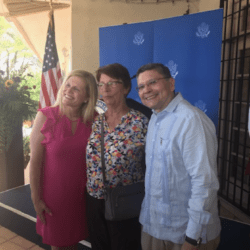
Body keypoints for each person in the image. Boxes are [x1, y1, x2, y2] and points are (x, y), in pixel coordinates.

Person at [136, 63, 221, 250]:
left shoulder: (190, 120)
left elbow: (204, 183)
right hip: (154, 227)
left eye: (152, 82)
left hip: (184, 235)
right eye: (141, 86)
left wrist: (192, 238)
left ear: (171, 83)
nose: (146, 90)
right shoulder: (155, 119)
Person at [29, 69, 98, 250]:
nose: (68, 91)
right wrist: (36, 198)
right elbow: (35, 161)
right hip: (54, 199)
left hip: (83, 197)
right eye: (67, 85)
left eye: (76, 89)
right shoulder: (45, 116)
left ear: (86, 97)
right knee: (59, 245)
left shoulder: (94, 120)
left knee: (74, 242)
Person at [86, 63, 148, 250]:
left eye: (112, 83)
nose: (105, 89)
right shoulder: (96, 120)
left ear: (126, 88)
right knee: (99, 245)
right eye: (101, 84)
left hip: (125, 200)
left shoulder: (139, 121)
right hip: (94, 198)